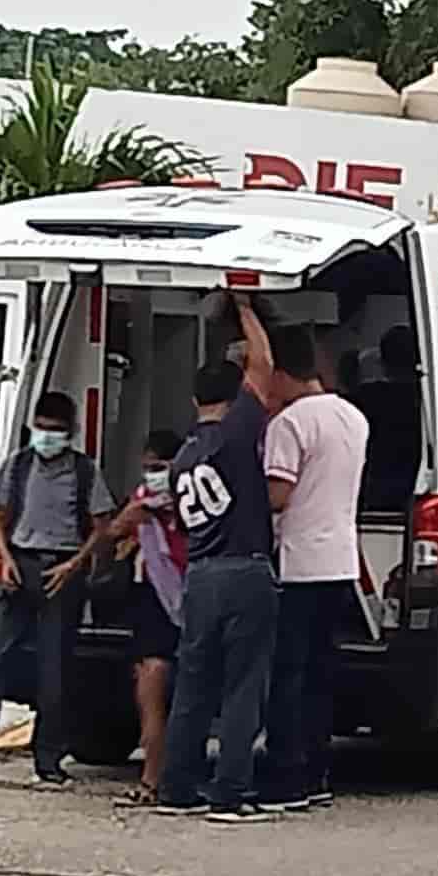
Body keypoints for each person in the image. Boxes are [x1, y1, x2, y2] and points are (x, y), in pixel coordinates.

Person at [0, 391, 115, 787]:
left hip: (61, 568)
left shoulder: (84, 472)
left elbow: (102, 523)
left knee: (54, 668)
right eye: (41, 428)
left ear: (70, 433)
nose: (47, 436)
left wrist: (75, 564)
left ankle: (49, 759)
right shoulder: (19, 465)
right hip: (19, 564)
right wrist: (4, 559)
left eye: (55, 431)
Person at [156, 294, 280, 824]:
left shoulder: (183, 456)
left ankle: (175, 786)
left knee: (193, 687)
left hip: (200, 577)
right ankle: (229, 791)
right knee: (243, 686)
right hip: (245, 570)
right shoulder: (237, 433)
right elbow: (265, 366)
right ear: (233, 396)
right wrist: (247, 307)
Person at [258, 325, 370, 812]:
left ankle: (284, 777)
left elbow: (278, 495)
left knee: (287, 673)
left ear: (281, 373)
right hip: (340, 560)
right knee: (321, 670)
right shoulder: (352, 416)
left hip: (298, 561)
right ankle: (317, 771)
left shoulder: (289, 423)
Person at [107, 429, 188, 808]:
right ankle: (152, 776)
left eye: (159, 468)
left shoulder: (195, 498)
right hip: (152, 598)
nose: (153, 476)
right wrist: (139, 514)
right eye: (147, 469)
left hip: (193, 595)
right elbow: (116, 530)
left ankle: (174, 778)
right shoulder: (143, 500)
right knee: (151, 681)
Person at [350, 325, 421, 511]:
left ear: (382, 361)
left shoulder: (368, 397)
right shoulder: (429, 401)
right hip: (415, 487)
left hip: (373, 490)